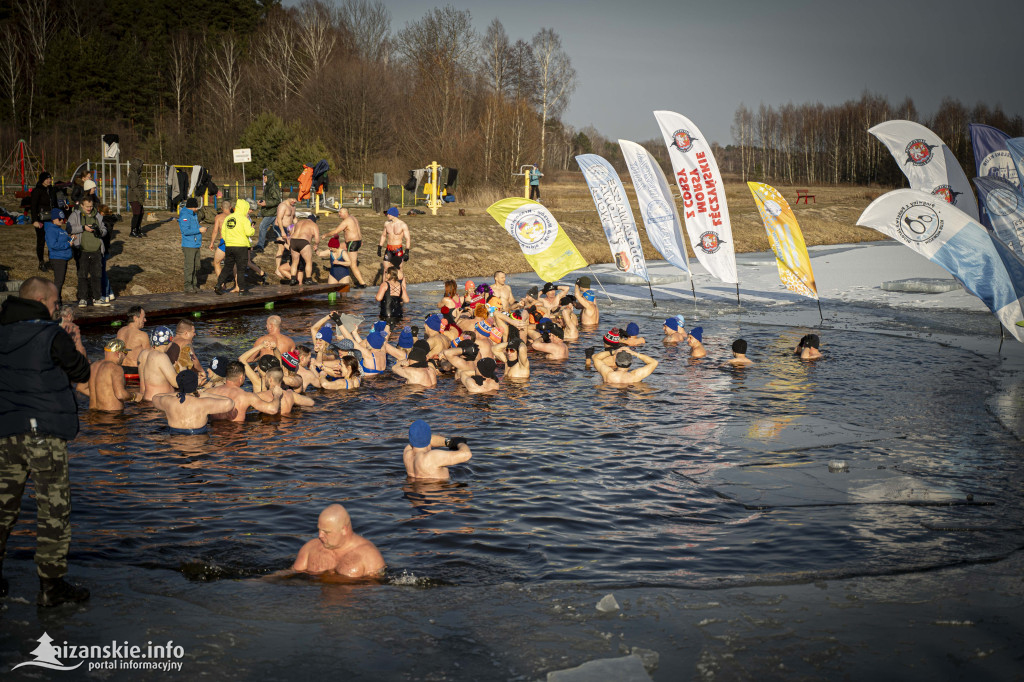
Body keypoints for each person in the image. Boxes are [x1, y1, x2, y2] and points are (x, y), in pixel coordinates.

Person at [0, 277, 91, 606]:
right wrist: (70, 340)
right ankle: (51, 587)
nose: (57, 309)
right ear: (41, 301)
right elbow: (81, 372)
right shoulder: (51, 334)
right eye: (55, 304)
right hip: (45, 433)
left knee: (2, 509)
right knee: (53, 510)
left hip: (4, 431)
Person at [290, 504, 385, 579]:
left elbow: (375, 591)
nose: (320, 535)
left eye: (326, 532)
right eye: (319, 530)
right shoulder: (310, 548)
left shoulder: (369, 556)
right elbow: (292, 574)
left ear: (344, 530)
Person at [152, 369, 234, 434]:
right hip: (198, 440)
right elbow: (230, 403)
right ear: (195, 384)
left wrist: (176, 394)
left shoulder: (169, 401)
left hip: (174, 437)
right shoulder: (203, 402)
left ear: (178, 384)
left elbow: (155, 397)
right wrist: (203, 394)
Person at [207, 358, 282, 422]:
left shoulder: (209, 392)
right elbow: (273, 409)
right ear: (241, 377)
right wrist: (277, 395)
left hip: (215, 436)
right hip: (237, 435)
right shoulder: (247, 396)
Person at [76, 339, 140, 411]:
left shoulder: (92, 366)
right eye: (125, 353)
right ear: (118, 353)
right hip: (112, 416)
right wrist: (134, 396)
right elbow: (120, 395)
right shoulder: (115, 368)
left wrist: (100, 396)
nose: (125, 357)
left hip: (92, 415)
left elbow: (80, 388)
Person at [68, 197, 108, 308]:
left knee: (96, 275)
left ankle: (97, 298)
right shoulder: (75, 215)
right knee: (82, 275)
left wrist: (100, 231)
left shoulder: (97, 215)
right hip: (82, 250)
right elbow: (69, 228)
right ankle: (83, 298)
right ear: (81, 205)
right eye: (87, 206)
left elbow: (104, 229)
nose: (89, 208)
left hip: (96, 250)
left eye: (91, 206)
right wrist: (83, 228)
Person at [403, 420, 472, 481]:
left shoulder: (407, 452)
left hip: (413, 489)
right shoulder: (432, 457)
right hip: (438, 490)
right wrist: (460, 443)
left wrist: (450, 442)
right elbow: (466, 454)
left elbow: (430, 439)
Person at [215, 198, 255, 296]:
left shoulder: (229, 218)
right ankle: (242, 290)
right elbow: (249, 232)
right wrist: (252, 228)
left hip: (229, 246)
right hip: (241, 246)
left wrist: (229, 240)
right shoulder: (243, 219)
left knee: (227, 267)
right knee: (241, 268)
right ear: (244, 208)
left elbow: (223, 232)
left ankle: (218, 285)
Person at [325, 207, 366, 287]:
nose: (339, 214)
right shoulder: (353, 218)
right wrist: (361, 240)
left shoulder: (346, 221)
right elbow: (358, 230)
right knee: (336, 247)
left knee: (352, 265)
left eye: (340, 212)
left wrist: (325, 235)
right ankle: (333, 267)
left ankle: (362, 283)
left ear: (345, 212)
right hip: (355, 241)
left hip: (352, 243)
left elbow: (336, 231)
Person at [139, 326, 179, 401]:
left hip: (147, 399)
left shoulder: (143, 354)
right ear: (170, 340)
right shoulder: (161, 356)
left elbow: (143, 385)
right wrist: (183, 369)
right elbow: (176, 383)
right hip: (159, 403)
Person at [43, 209, 72, 305]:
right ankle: (55, 302)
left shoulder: (60, 229)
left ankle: (57, 300)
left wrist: (72, 238)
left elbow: (66, 239)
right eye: (59, 219)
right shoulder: (51, 230)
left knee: (60, 280)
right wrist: (67, 244)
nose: (62, 221)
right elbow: (53, 245)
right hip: (57, 258)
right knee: (59, 281)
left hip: (63, 257)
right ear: (53, 219)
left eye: (63, 219)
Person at [30, 172, 57, 270]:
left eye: (50, 179)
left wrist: (58, 216)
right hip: (41, 219)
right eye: (47, 179)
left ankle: (51, 261)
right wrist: (34, 220)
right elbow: (33, 207)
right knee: (41, 241)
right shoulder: (37, 191)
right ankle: (41, 262)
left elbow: (55, 204)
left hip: (51, 219)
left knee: (51, 241)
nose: (49, 180)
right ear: (42, 180)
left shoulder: (52, 190)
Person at [179, 198, 207, 293]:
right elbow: (185, 231)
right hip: (189, 244)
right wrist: (199, 230)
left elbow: (195, 226)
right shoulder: (185, 215)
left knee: (196, 266)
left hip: (196, 244)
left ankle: (194, 285)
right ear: (192, 207)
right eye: (195, 207)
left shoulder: (193, 214)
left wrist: (201, 228)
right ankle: (188, 286)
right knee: (189, 266)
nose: (196, 209)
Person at [593, 347, 658, 385]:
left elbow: (596, 358)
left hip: (610, 394)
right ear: (631, 363)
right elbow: (654, 362)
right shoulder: (634, 376)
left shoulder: (608, 374)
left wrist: (613, 352)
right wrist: (635, 353)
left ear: (616, 362)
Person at [377, 207, 410, 280]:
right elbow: (383, 235)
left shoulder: (402, 224)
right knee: (386, 268)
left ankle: (402, 287)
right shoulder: (387, 223)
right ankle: (385, 287)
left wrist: (407, 251)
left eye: (388, 214)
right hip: (389, 248)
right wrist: (380, 247)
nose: (387, 215)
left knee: (399, 268)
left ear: (393, 214)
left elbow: (407, 239)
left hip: (397, 249)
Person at [115, 306, 150, 373]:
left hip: (121, 369)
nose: (145, 320)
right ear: (135, 318)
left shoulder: (120, 331)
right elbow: (149, 356)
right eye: (143, 317)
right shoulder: (142, 335)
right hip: (135, 370)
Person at [254, 168, 281, 252]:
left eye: (265, 177)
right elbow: (266, 198)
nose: (263, 179)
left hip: (272, 211)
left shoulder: (274, 187)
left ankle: (260, 246)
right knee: (276, 228)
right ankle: (284, 241)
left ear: (269, 177)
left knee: (262, 226)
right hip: (268, 211)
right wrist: (261, 200)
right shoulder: (267, 186)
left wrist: (266, 203)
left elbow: (277, 200)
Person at [288, 217, 320, 286]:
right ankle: (308, 280)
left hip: (293, 241)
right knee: (308, 261)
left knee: (294, 261)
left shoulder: (298, 223)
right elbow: (317, 238)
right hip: (303, 241)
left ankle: (293, 279)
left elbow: (291, 234)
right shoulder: (313, 224)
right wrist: (316, 245)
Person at [274, 194, 299, 281]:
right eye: (293, 198)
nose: (294, 201)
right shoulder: (282, 206)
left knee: (290, 246)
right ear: (288, 197)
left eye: (295, 199)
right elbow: (279, 219)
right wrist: (282, 231)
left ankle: (291, 266)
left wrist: (298, 228)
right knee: (281, 248)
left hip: (289, 228)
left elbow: (294, 218)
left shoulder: (293, 207)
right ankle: (277, 269)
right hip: (280, 227)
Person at [126, 158, 145, 238]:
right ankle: (133, 231)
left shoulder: (137, 173)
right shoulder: (133, 174)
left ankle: (138, 229)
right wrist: (139, 197)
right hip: (134, 197)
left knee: (141, 212)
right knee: (136, 214)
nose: (141, 167)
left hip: (138, 196)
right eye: (140, 165)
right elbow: (134, 187)